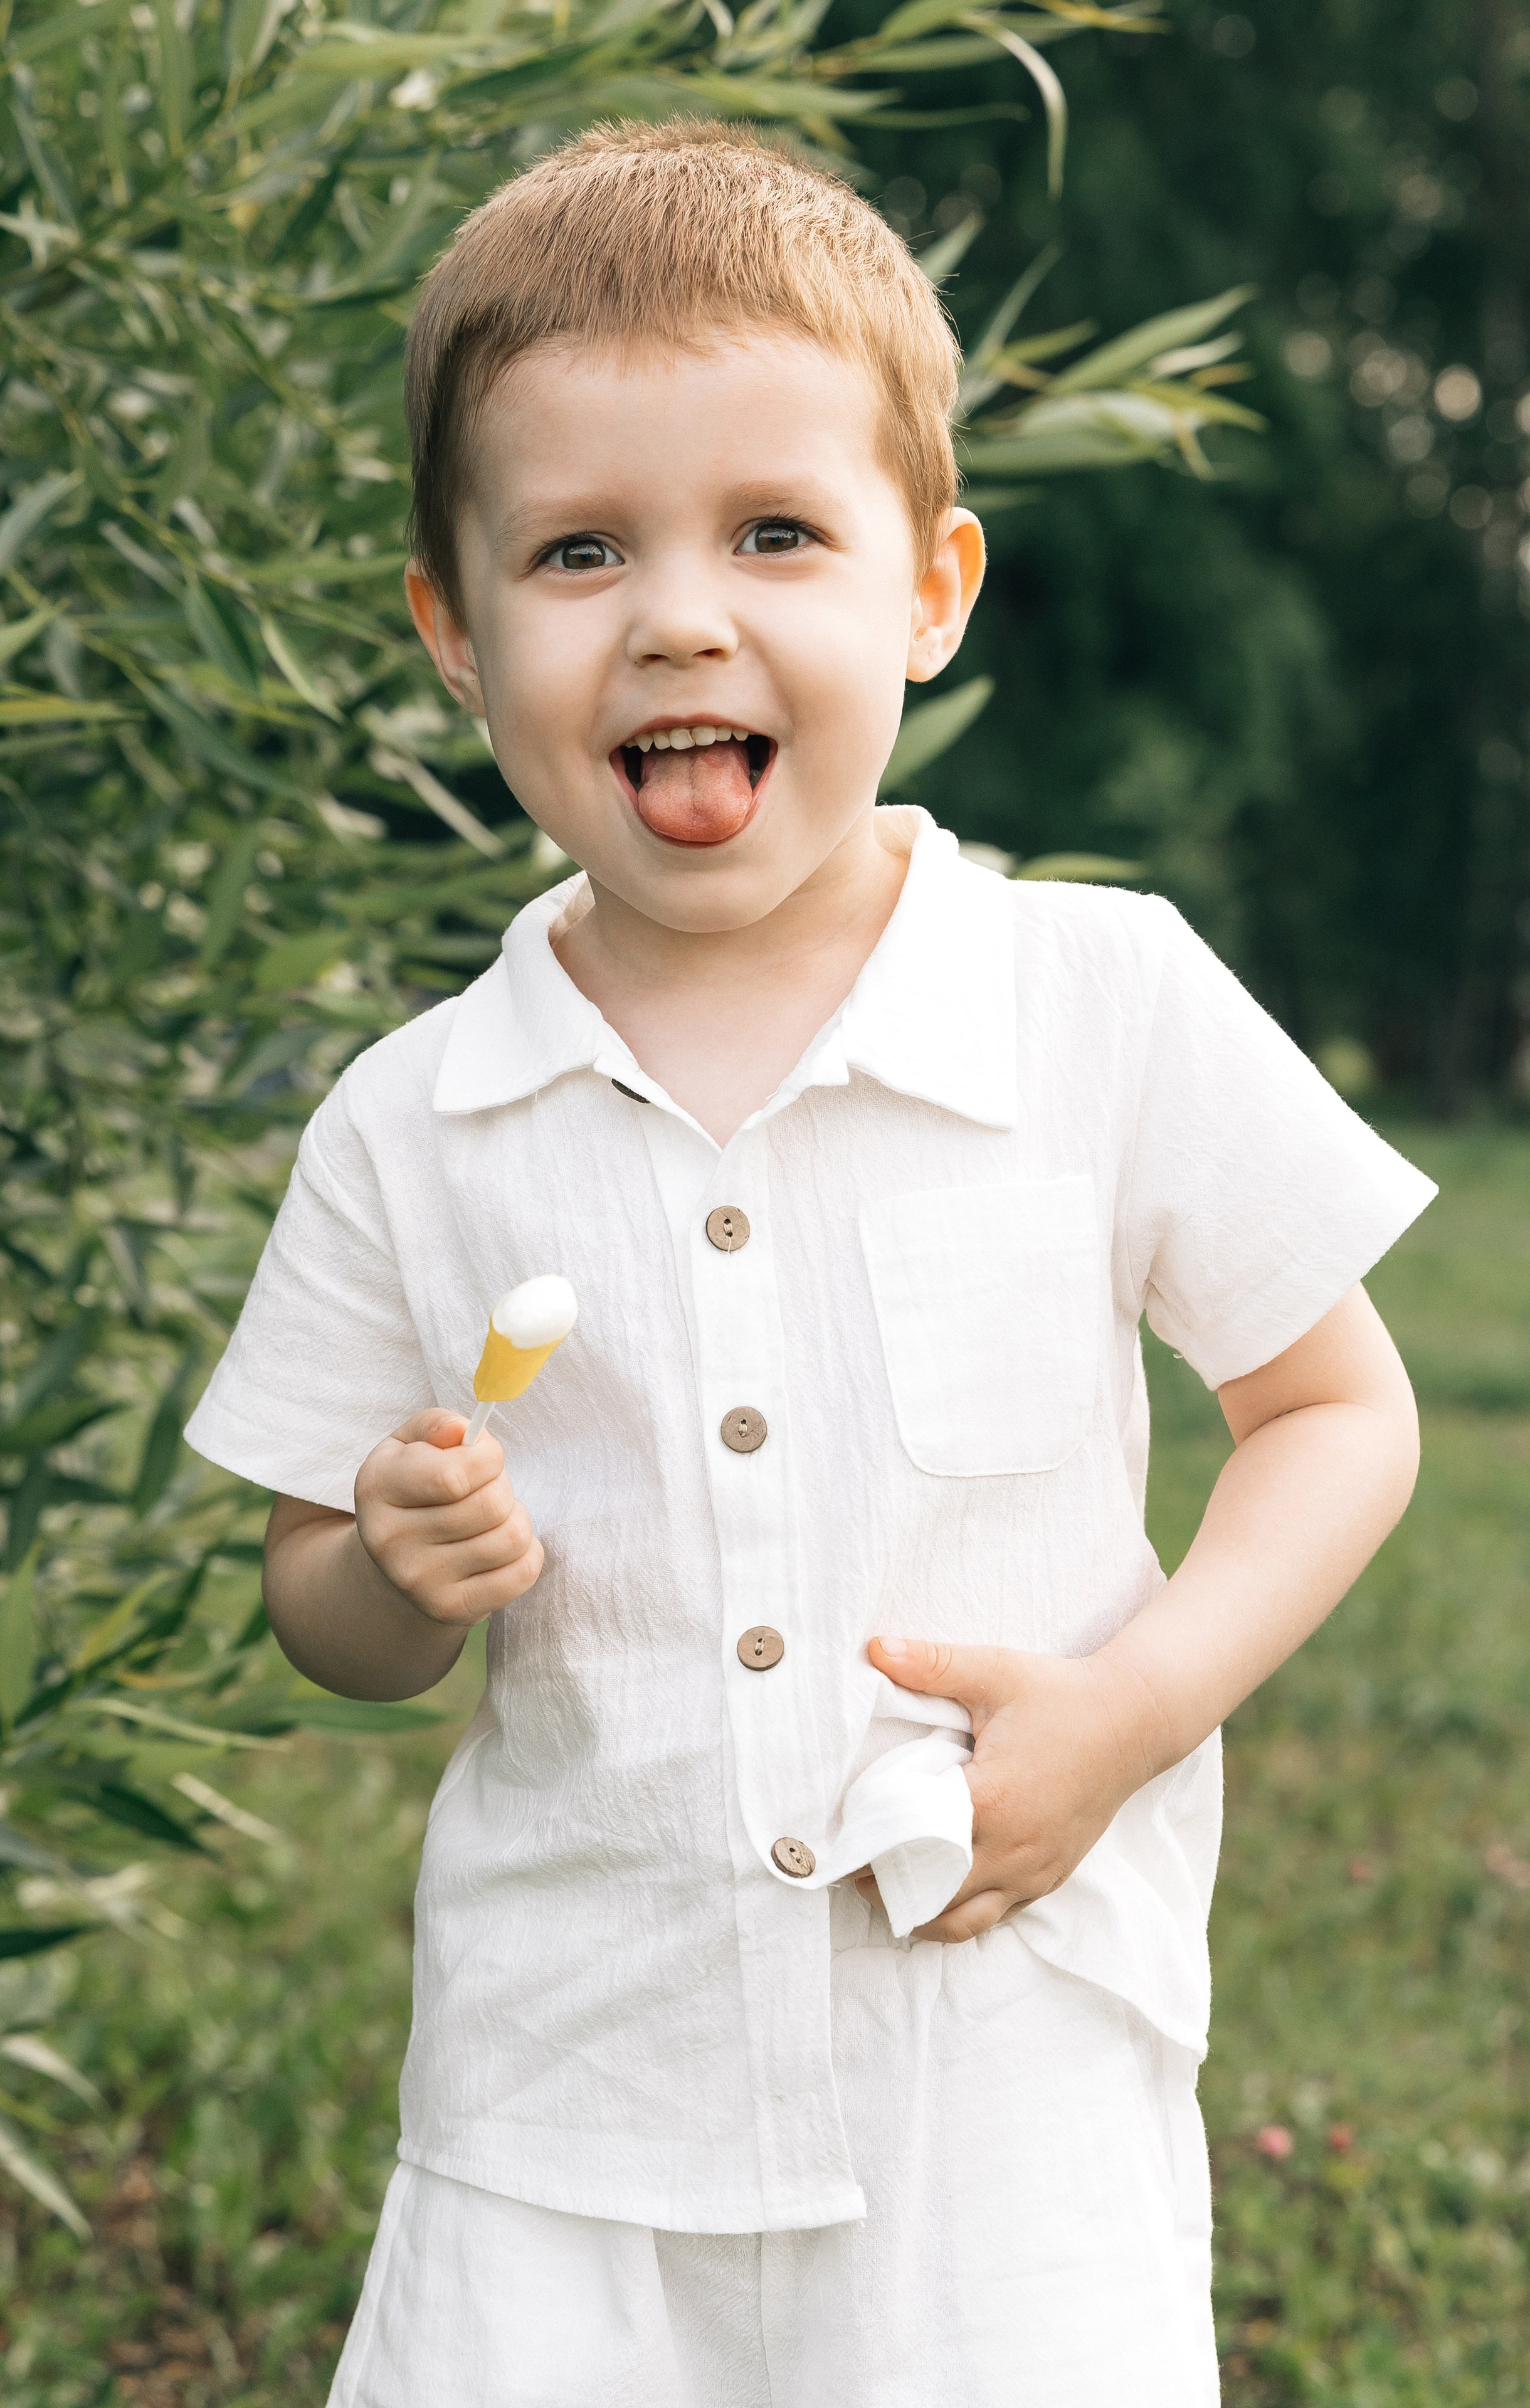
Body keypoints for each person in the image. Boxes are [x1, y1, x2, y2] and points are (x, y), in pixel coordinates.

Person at [185, 119, 1435, 2407]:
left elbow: (1341, 1416)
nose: (683, 612)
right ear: (456, 638)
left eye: (778, 532)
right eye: (580, 550)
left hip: (1005, 2097)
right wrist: (387, 1554)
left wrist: (1136, 1713)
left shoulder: (1100, 1001)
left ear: (931, 587)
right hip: (562, 2129)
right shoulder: (412, 1116)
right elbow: (320, 1611)